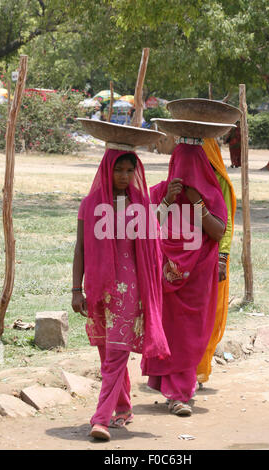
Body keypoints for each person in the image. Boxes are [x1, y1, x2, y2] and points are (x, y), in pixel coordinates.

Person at [72, 148, 170, 441]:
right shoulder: (89, 205)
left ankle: (100, 419)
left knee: (116, 353)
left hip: (131, 290)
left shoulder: (142, 206)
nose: (125, 176)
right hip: (100, 289)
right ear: (106, 170)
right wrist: (77, 289)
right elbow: (80, 250)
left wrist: (152, 292)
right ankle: (124, 408)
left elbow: (152, 252)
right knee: (107, 351)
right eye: (119, 170)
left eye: (130, 170)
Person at [141, 139, 227, 416]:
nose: (186, 172)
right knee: (168, 331)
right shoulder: (158, 192)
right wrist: (167, 200)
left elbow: (217, 232)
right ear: (172, 165)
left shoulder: (212, 195)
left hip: (199, 277)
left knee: (191, 334)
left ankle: (180, 392)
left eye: (192, 166)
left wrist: (198, 203)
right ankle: (174, 393)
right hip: (164, 275)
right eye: (180, 165)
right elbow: (146, 227)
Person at [196, 138, 236, 386]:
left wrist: (222, 257)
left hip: (211, 255)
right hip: (182, 256)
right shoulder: (181, 177)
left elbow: (226, 222)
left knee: (208, 314)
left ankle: (198, 370)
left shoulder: (218, 177)